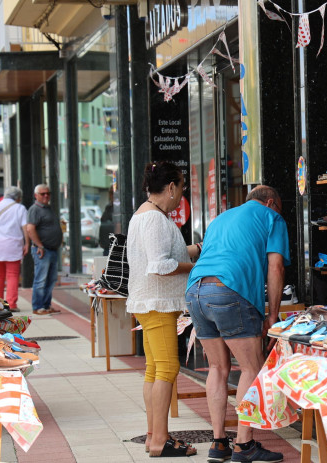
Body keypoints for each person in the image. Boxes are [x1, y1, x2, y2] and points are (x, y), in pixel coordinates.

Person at [185, 185, 290, 463]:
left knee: (218, 367)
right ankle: (244, 445)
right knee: (251, 367)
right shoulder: (272, 217)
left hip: (195, 291)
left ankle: (219, 444)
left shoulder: (221, 218)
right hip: (229, 290)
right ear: (271, 202)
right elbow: (276, 267)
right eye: (279, 207)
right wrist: (273, 314)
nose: (280, 212)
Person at [126, 162, 199, 458]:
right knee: (167, 368)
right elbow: (160, 265)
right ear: (170, 187)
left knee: (155, 369)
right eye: (181, 187)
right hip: (156, 303)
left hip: (150, 302)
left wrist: (198, 249)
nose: (181, 194)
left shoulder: (144, 215)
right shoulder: (155, 219)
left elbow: (165, 256)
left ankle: (153, 437)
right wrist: (196, 268)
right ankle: (160, 440)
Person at [0, 186, 29, 311]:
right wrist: (27, 243)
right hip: (13, 245)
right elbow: (25, 228)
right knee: (12, 275)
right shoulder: (20, 208)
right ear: (18, 198)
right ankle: (12, 304)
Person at [26, 184, 63, 315]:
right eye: (43, 194)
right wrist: (39, 245)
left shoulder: (48, 208)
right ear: (36, 196)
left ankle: (46, 305)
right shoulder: (35, 209)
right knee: (41, 280)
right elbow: (30, 229)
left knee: (51, 280)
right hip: (42, 250)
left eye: (48, 193)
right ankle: (38, 307)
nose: (46, 196)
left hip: (52, 250)